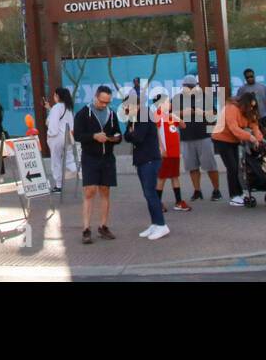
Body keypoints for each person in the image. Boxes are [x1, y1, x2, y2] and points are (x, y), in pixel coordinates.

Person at [73, 85, 122, 243]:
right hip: (90, 157)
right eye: (101, 101)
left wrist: (114, 138)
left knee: (105, 190)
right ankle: (86, 229)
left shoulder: (112, 114)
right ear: (95, 97)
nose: (104, 105)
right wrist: (94, 136)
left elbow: (117, 133)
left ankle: (103, 226)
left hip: (107, 157)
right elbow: (78, 135)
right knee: (89, 191)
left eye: (107, 102)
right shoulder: (83, 114)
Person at [124, 94, 168, 240]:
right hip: (141, 161)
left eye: (128, 106)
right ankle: (155, 223)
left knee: (151, 193)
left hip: (150, 160)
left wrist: (131, 134)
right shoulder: (134, 118)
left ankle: (162, 225)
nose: (125, 108)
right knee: (147, 194)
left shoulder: (144, 115)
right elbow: (127, 135)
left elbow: (138, 137)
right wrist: (131, 132)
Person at [211, 91, 264, 206]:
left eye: (253, 106)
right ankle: (234, 196)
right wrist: (250, 137)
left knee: (237, 167)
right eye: (250, 106)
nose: (252, 108)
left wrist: (259, 140)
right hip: (221, 139)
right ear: (245, 103)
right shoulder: (231, 108)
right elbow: (234, 128)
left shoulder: (249, 112)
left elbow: (255, 126)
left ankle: (239, 193)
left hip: (234, 140)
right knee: (232, 167)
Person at [175, 76, 222, 201]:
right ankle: (197, 190)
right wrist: (184, 112)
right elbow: (171, 114)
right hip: (186, 137)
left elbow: (214, 113)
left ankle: (216, 190)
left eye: (190, 86)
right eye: (186, 86)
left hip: (203, 136)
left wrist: (199, 111)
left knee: (210, 165)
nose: (188, 88)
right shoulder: (178, 98)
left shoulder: (204, 97)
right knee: (192, 166)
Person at [153, 93, 190, 212]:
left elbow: (183, 126)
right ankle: (157, 203)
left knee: (175, 176)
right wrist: (160, 148)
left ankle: (179, 202)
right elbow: (156, 133)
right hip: (165, 153)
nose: (170, 104)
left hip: (174, 152)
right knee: (162, 177)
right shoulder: (157, 115)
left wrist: (177, 117)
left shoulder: (171, 116)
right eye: (168, 102)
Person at [45, 87, 76, 193]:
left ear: (57, 96)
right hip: (67, 137)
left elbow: (53, 124)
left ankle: (58, 185)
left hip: (56, 138)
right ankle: (78, 172)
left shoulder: (57, 107)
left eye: (54, 95)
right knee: (69, 159)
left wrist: (50, 135)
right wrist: (49, 108)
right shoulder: (68, 107)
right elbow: (71, 125)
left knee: (56, 161)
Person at [237, 68, 266, 146]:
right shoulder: (242, 90)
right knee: (254, 140)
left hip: (264, 116)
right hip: (251, 118)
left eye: (251, 76)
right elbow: (239, 105)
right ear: (245, 78)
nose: (250, 78)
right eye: (247, 77)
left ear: (254, 76)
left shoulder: (263, 87)